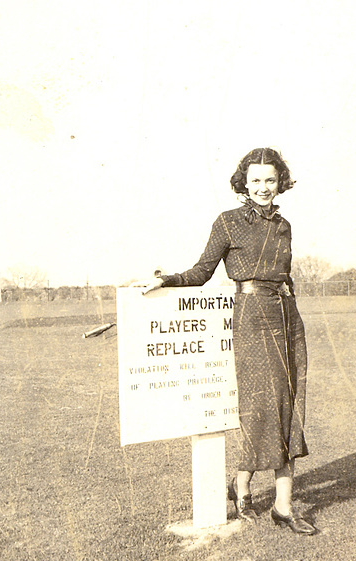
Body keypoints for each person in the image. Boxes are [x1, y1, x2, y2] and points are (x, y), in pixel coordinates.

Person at [135, 147, 316, 535]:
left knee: (292, 401)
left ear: (280, 181)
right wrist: (166, 279)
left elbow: (282, 274)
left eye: (270, 180)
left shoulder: (284, 226)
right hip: (253, 317)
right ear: (243, 183)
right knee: (264, 405)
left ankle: (283, 505)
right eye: (256, 180)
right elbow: (201, 271)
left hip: (288, 316)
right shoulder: (228, 222)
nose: (264, 187)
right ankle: (243, 482)